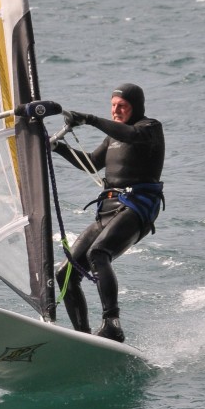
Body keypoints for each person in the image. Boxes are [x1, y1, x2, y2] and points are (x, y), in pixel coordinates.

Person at [53, 82, 164, 342]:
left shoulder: (149, 128)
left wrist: (90, 119)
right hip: (108, 208)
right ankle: (84, 337)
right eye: (113, 106)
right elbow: (91, 162)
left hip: (136, 206)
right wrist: (59, 148)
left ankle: (112, 323)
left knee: (98, 253)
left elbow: (130, 135)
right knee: (65, 273)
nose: (116, 110)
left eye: (122, 106)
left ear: (136, 107)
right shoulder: (113, 136)